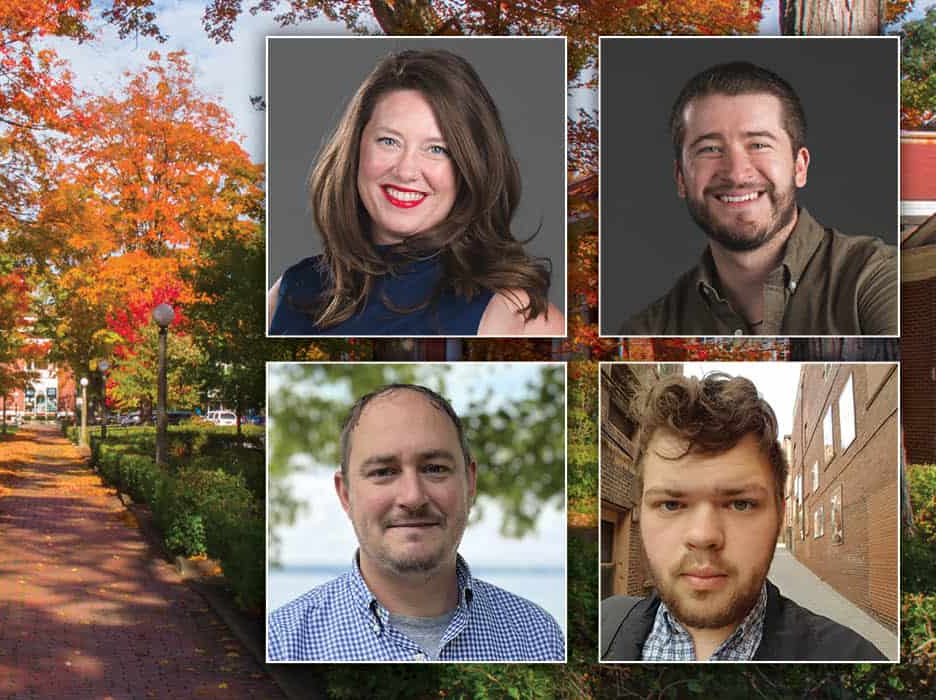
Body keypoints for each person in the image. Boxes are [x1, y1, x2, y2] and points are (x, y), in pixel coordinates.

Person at [267, 49, 564, 336]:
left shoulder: (517, 317)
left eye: (437, 149)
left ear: (471, 166)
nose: (406, 171)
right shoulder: (290, 290)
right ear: (355, 149)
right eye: (388, 141)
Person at [600, 373, 887, 661]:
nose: (703, 536)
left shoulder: (855, 658)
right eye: (671, 505)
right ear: (640, 512)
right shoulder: (603, 626)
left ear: (780, 516)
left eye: (740, 504)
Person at [268, 384, 565, 662]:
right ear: (345, 494)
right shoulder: (282, 644)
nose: (413, 497)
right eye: (384, 471)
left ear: (469, 483)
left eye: (434, 468)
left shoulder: (538, 637)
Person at [620, 61, 896, 336]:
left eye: (759, 145)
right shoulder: (648, 332)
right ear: (681, 178)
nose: (737, 173)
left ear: (799, 167)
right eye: (710, 148)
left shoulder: (877, 279)